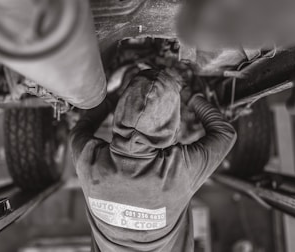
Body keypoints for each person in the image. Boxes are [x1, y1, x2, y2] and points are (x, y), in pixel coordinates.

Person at [70, 69, 237, 252]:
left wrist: (187, 94)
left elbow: (225, 134)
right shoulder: (87, 164)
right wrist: (114, 96)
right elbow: (79, 132)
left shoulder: (178, 174)